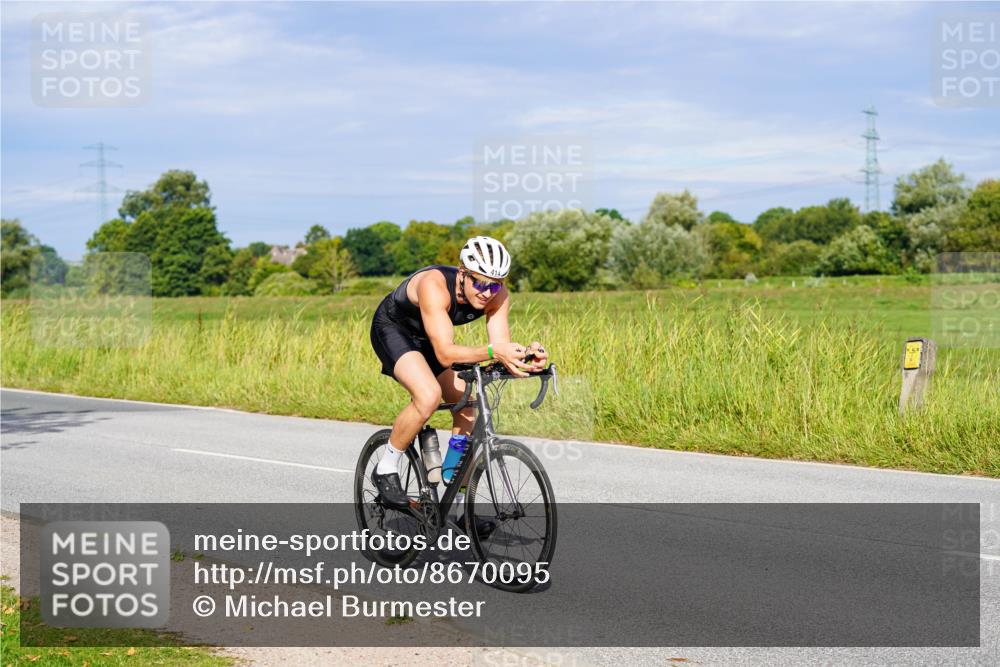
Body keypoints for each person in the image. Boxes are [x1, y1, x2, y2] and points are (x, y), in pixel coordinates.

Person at [368, 236, 547, 529]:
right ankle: (386, 466)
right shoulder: (433, 285)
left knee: (469, 406)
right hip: (394, 330)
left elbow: (499, 348)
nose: (488, 292)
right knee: (428, 395)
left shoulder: (498, 296)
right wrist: (493, 352)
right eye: (481, 283)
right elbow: (445, 353)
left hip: (432, 339)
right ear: (462, 273)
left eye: (496, 284)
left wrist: (526, 358)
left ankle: (461, 509)